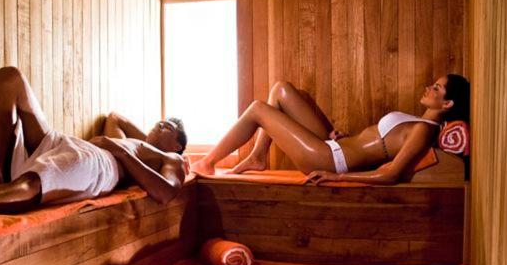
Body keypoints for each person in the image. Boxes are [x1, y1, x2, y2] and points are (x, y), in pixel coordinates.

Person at [0, 66, 188, 218]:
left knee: (41, 178)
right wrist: (138, 141)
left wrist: (121, 152)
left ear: (177, 145)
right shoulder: (134, 143)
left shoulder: (171, 159)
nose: (160, 124)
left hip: (100, 163)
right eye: (160, 121)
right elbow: (115, 118)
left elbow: (165, 193)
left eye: (168, 127)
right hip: (69, 142)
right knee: (10, 78)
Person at [191, 74, 470, 185]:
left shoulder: (423, 131)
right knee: (281, 89)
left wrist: (338, 177)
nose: (429, 88)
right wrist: (347, 139)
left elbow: (392, 174)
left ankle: (208, 161)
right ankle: (258, 156)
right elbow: (375, 143)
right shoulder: (418, 121)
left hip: (329, 160)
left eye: (437, 88)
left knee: (257, 109)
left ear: (447, 103)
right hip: (334, 146)